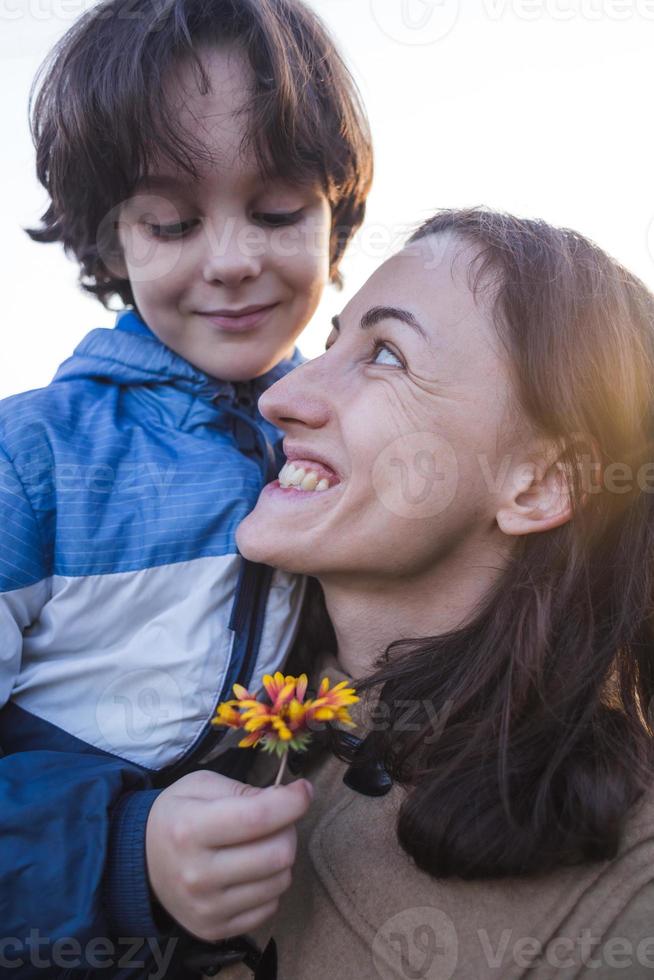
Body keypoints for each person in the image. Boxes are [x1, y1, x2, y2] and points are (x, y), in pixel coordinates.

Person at [0, 0, 372, 974]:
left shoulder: (339, 430)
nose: (234, 259)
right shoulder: (32, 457)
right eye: (171, 219)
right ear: (113, 240)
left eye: (279, 209)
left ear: (335, 215)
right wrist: (129, 855)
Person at [234, 208, 654, 979]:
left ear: (537, 484)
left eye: (386, 355)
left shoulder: (627, 908)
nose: (282, 396)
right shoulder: (214, 700)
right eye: (331, 341)